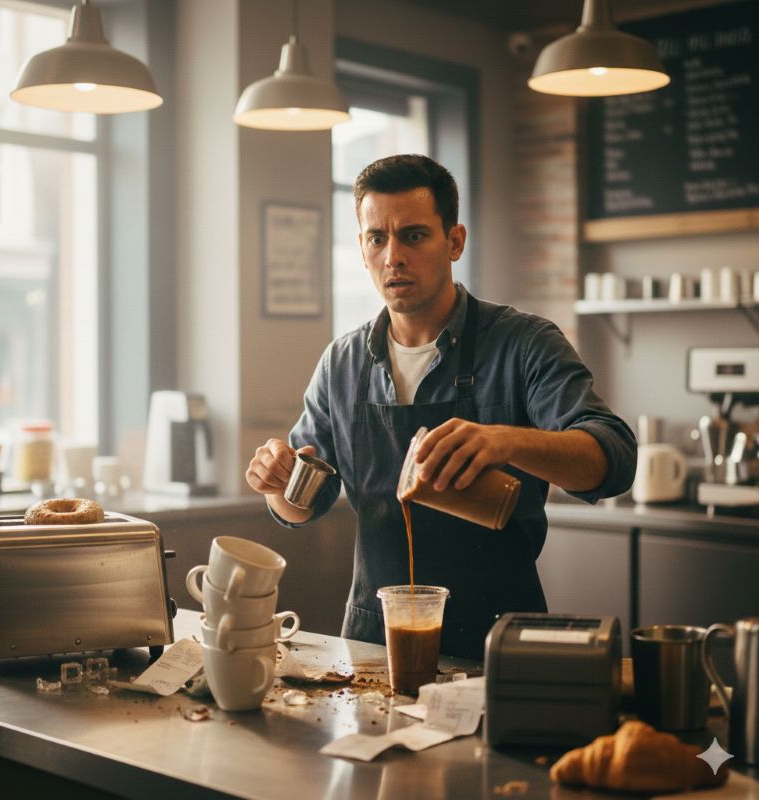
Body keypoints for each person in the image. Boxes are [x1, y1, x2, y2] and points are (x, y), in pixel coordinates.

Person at [245, 154, 637, 661]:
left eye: (413, 235)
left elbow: (614, 459)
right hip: (373, 645)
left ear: (454, 241)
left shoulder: (524, 343)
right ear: (362, 248)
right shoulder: (343, 362)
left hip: (497, 643)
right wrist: (279, 483)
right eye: (376, 238)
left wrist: (506, 439)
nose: (393, 257)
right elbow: (302, 506)